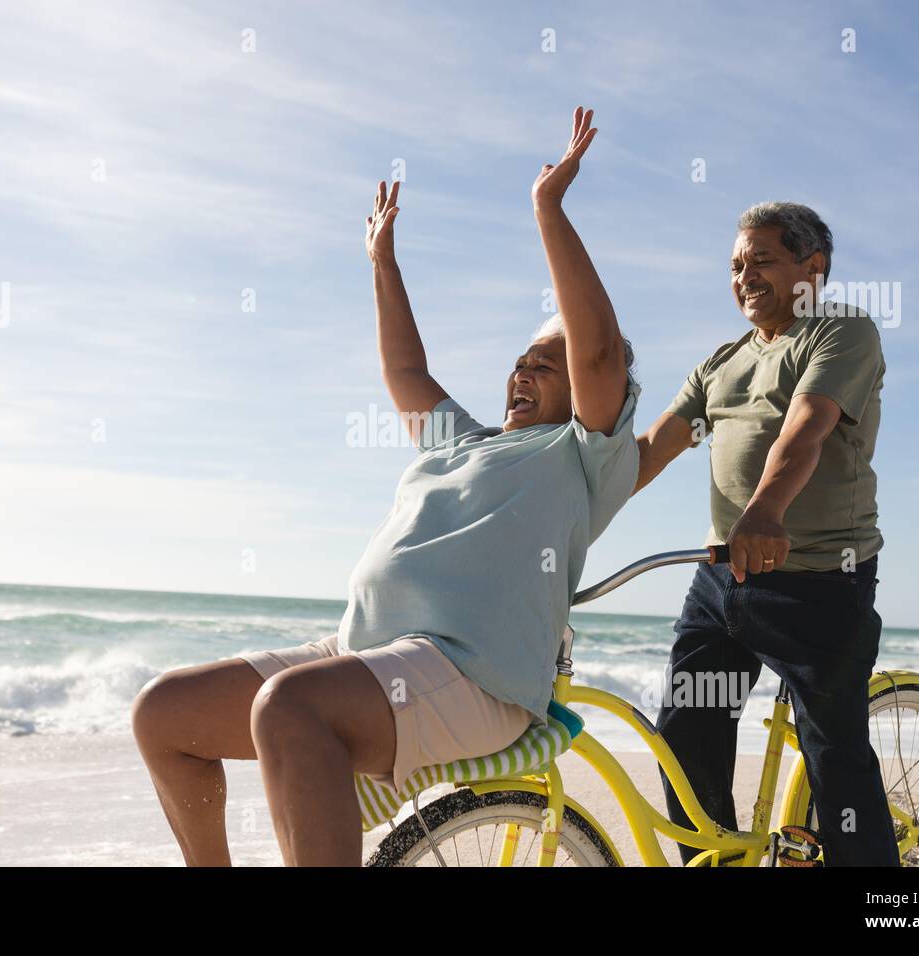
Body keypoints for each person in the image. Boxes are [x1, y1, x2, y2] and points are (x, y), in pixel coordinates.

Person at [130, 107, 639, 865]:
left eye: (548, 361)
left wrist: (547, 208)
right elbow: (404, 373)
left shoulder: (582, 455)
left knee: (292, 706)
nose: (525, 369)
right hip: (365, 652)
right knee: (162, 713)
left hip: (471, 675)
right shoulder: (462, 443)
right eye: (524, 358)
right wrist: (383, 262)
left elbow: (596, 352)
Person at [633, 201, 898, 865]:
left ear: (813, 268)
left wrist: (766, 506)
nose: (744, 276)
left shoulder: (841, 331)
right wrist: (561, 505)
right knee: (685, 728)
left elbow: (806, 423)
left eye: (762, 261)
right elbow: (649, 453)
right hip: (723, 575)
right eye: (735, 265)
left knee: (833, 753)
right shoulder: (721, 363)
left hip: (815, 579)